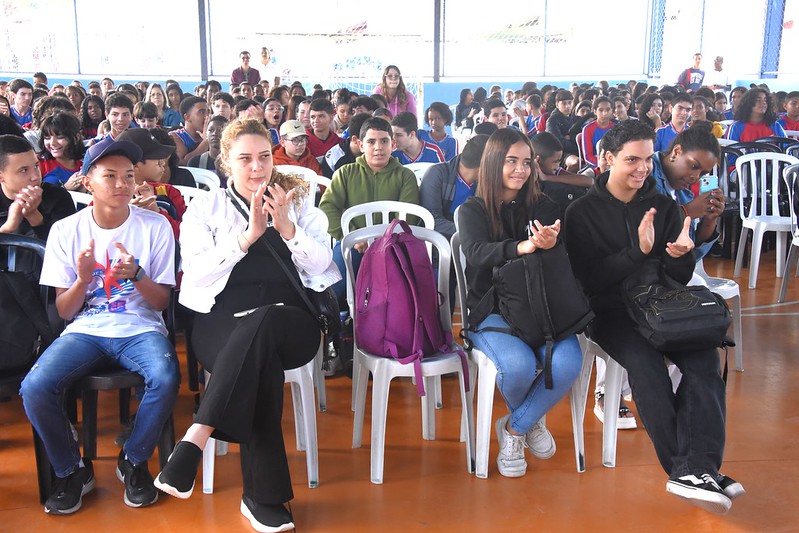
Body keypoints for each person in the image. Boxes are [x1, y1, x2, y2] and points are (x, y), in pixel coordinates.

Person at [153, 118, 338, 533]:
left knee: (267, 321)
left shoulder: (297, 201)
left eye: (263, 157)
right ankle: (263, 498)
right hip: (221, 325)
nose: (257, 168)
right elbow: (196, 275)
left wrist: (286, 227)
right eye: (245, 159)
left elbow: (324, 266)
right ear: (226, 164)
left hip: (292, 323)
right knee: (260, 360)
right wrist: (246, 238)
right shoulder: (207, 207)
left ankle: (197, 437)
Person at [563, 119, 741, 515]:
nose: (642, 169)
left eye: (646, 159)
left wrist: (681, 256)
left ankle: (698, 468)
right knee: (646, 368)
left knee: (704, 359)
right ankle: (687, 468)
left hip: (662, 305)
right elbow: (589, 282)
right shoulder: (581, 214)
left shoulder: (661, 205)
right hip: (610, 311)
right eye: (631, 160)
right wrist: (638, 252)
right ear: (607, 159)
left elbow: (674, 277)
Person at [20, 137, 179, 514]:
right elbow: (64, 311)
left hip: (140, 327)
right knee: (35, 387)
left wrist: (137, 274)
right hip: (86, 330)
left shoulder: (156, 227)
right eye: (110, 176)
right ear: (87, 181)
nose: (122, 184)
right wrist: (82, 278)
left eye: (128, 176)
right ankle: (71, 469)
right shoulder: (65, 230)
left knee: (165, 376)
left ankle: (134, 459)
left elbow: (160, 304)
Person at [457, 127, 582, 478]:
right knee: (518, 367)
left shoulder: (544, 205)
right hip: (491, 310)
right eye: (511, 161)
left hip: (541, 306)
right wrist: (522, 247)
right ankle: (531, 420)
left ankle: (515, 428)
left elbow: (561, 258)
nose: (520, 170)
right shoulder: (473, 209)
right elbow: (477, 252)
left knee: (569, 362)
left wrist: (553, 242)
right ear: (494, 162)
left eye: (527, 162)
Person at [319, 117, 419, 301]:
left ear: (393, 144)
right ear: (360, 144)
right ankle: (339, 322)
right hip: (352, 243)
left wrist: (378, 242)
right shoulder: (346, 173)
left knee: (397, 294)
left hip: (394, 246)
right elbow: (327, 208)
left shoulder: (406, 176)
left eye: (384, 141)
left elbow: (407, 218)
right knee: (335, 289)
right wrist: (352, 236)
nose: (378, 147)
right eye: (371, 142)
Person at [0, 134, 75, 238]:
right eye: (24, 170)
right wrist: (8, 228)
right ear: (1, 176)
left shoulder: (58, 197)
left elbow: (66, 247)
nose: (35, 176)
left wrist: (34, 217)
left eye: (36, 166)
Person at [117, 129, 186, 238]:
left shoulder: (169, 192)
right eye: (156, 158)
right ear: (135, 165)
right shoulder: (108, 197)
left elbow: (185, 234)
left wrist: (156, 211)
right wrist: (122, 213)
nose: (162, 163)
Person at [419, 134, 488, 242]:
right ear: (484, 166)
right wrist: (469, 231)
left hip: (473, 241)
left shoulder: (485, 183)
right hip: (439, 242)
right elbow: (431, 220)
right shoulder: (437, 174)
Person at [38, 112, 85, 187]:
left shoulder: (86, 163)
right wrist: (65, 189)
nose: (52, 143)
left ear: (76, 138)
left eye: (60, 137)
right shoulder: (39, 164)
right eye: (47, 138)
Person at [320, 112, 370, 178]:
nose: (377, 146)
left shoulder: (379, 154)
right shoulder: (335, 158)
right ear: (355, 140)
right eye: (371, 141)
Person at [170, 96, 210, 165]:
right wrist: (206, 141)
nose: (207, 116)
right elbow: (182, 163)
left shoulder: (214, 135)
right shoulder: (175, 136)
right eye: (201, 112)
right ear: (187, 117)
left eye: (208, 112)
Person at [580, 96, 616, 167]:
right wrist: (603, 165)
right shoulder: (588, 129)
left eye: (608, 110)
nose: (604, 113)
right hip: (595, 164)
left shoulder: (616, 127)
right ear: (595, 111)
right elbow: (588, 156)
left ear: (612, 111)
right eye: (601, 110)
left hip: (614, 165)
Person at [545, 90, 577, 155]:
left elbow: (581, 136)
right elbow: (558, 143)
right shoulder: (552, 120)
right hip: (559, 154)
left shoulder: (575, 118)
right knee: (575, 162)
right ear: (557, 104)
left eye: (570, 103)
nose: (567, 106)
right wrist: (577, 146)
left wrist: (570, 137)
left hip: (575, 151)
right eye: (564, 103)